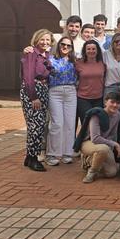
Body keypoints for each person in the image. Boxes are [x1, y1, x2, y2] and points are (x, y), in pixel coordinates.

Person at [20, 29, 53, 172]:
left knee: (38, 125)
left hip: (43, 89)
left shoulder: (47, 55)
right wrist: (33, 97)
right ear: (36, 40)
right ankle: (34, 158)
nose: (45, 42)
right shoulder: (31, 53)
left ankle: (29, 156)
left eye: (47, 40)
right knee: (36, 125)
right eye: (42, 39)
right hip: (33, 90)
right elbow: (28, 76)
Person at [75, 92, 120, 183]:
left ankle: (94, 160)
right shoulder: (97, 114)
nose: (115, 105)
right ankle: (91, 170)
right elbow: (95, 138)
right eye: (112, 102)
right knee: (103, 149)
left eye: (118, 103)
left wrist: (112, 149)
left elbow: (113, 134)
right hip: (88, 142)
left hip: (104, 144)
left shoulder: (117, 114)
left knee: (111, 173)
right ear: (105, 102)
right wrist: (115, 144)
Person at [46, 36, 77, 166]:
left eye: (68, 45)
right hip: (55, 91)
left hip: (71, 91)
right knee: (57, 124)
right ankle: (52, 154)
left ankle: (67, 153)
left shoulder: (75, 61)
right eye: (63, 44)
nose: (65, 47)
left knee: (70, 124)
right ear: (58, 45)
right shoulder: (50, 59)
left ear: (72, 48)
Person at [75, 40, 106, 125]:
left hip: (99, 98)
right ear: (84, 51)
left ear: (97, 50)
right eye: (88, 49)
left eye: (93, 49)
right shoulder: (78, 63)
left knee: (97, 124)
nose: (91, 51)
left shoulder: (103, 63)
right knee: (86, 123)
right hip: (83, 98)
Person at [103, 33, 120, 103]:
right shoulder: (105, 54)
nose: (119, 43)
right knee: (110, 109)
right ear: (112, 43)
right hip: (110, 88)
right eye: (116, 41)